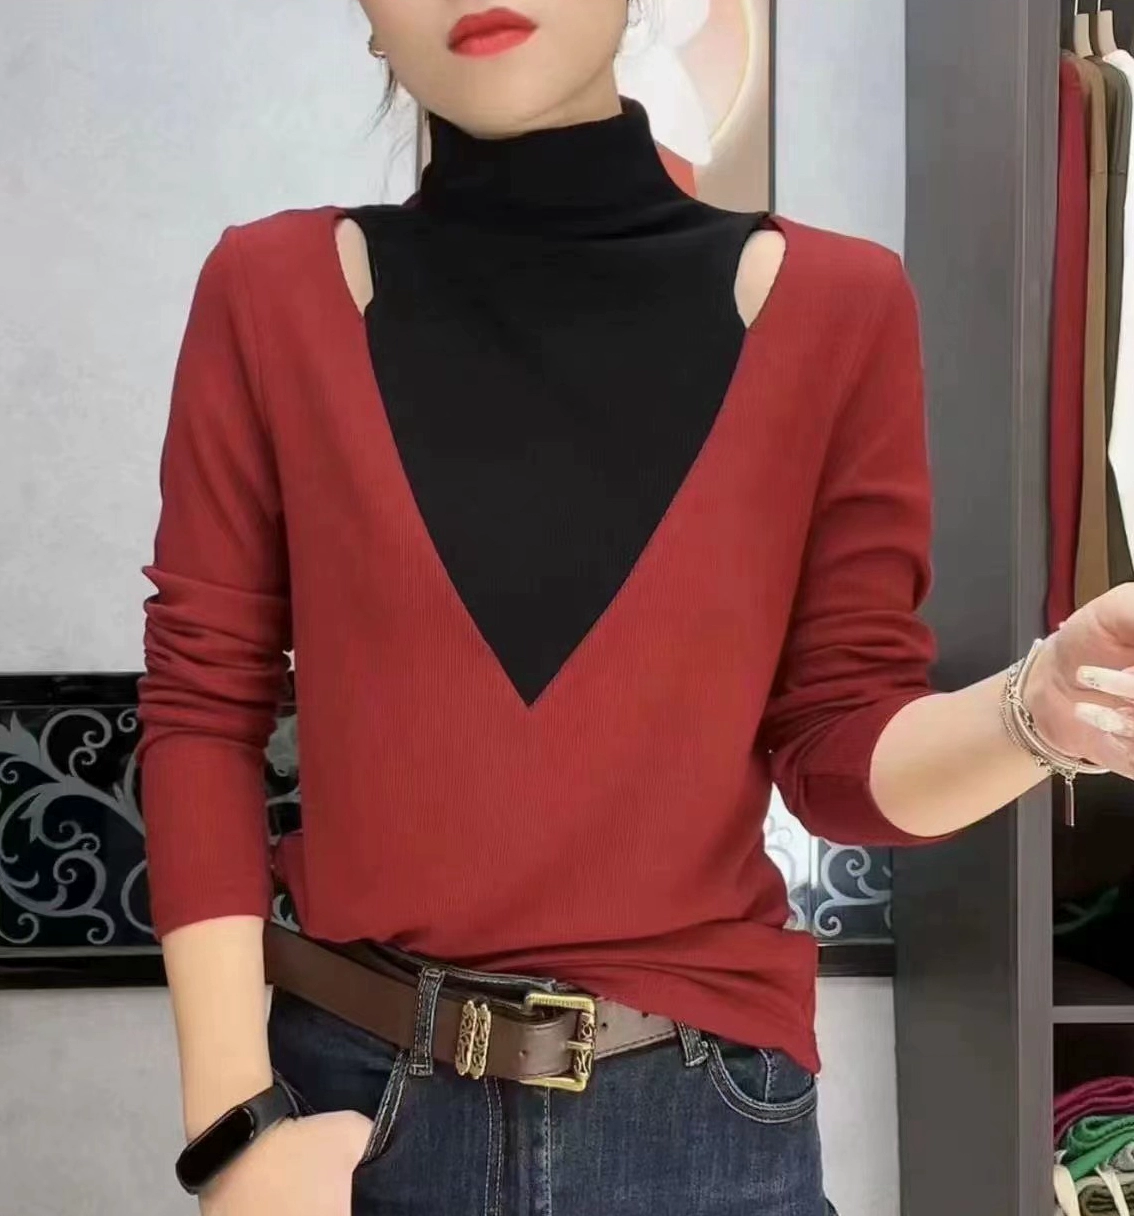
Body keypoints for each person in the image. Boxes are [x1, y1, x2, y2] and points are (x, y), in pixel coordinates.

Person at [135, 2, 1134, 1214]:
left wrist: (1040, 710)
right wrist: (232, 1130)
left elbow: (838, 754)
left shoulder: (840, 306)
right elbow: (201, 708)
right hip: (351, 1114)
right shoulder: (268, 293)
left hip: (700, 1131)